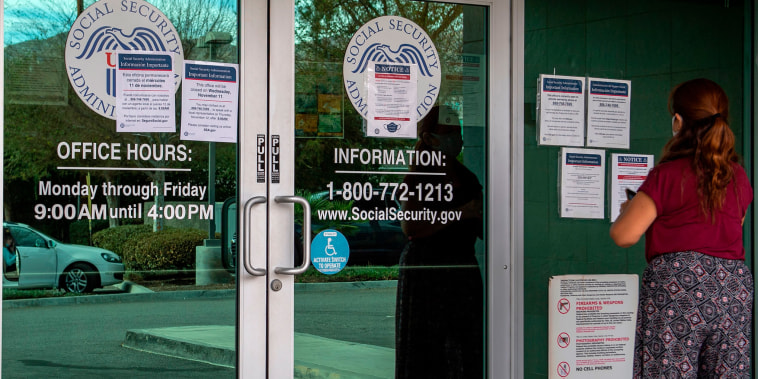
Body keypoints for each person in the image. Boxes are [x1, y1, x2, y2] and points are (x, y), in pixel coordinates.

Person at [610, 78, 753, 378]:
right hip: (732, 289)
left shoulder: (668, 174)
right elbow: (731, 228)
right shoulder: (738, 177)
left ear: (678, 121)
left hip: (678, 289)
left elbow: (624, 235)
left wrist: (629, 211)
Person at [395, 105, 484, 378]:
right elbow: (411, 226)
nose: (459, 139)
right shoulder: (421, 175)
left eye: (459, 132)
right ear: (431, 138)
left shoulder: (463, 174)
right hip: (429, 271)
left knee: (463, 347)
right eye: (450, 133)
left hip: (460, 269)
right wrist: (461, 213)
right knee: (428, 350)